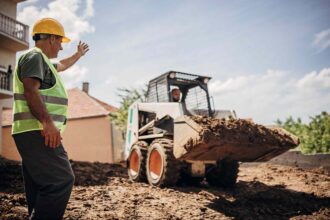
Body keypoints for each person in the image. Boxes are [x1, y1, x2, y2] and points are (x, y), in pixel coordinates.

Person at [12, 18, 89, 220]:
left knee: (40, 186)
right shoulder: (34, 56)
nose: (62, 47)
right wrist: (48, 123)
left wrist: (78, 55)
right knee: (61, 180)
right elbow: (30, 90)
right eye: (61, 42)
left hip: (32, 131)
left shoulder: (43, 62)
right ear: (52, 39)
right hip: (38, 130)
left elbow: (62, 64)